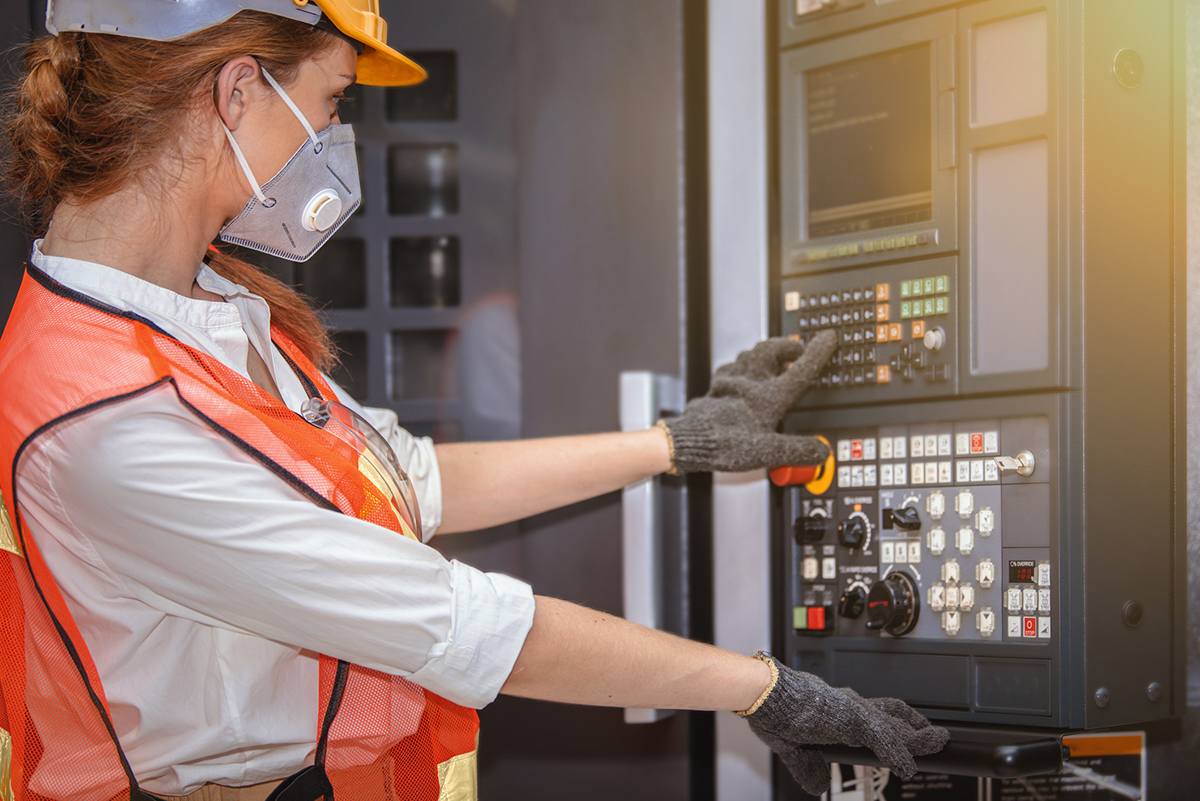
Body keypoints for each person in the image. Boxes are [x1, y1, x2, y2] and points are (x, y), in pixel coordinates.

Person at [0, 2, 949, 800]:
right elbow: (455, 621)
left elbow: (411, 478)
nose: (333, 145)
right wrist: (765, 690)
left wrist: (674, 443)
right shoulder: (104, 417)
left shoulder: (203, 307)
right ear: (239, 88)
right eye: (331, 104)